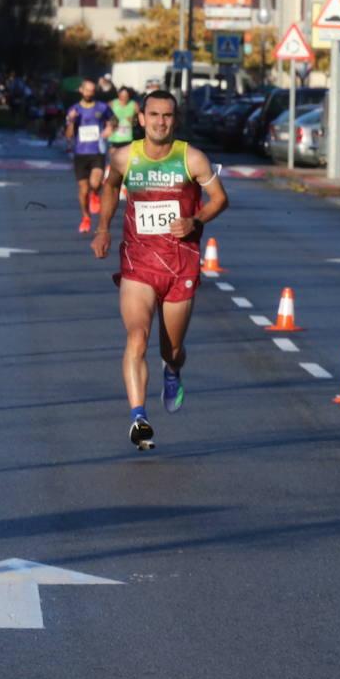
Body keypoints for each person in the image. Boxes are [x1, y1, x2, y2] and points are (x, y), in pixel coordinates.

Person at [89, 90, 229, 451]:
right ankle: (139, 417)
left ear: (174, 120)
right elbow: (110, 186)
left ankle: (172, 371)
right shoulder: (124, 156)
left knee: (172, 348)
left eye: (167, 116)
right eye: (153, 115)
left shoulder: (192, 158)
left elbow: (220, 199)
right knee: (137, 336)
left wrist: (195, 219)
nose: (160, 122)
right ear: (141, 119)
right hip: (139, 262)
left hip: (180, 263)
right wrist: (103, 227)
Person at [65, 78, 116, 232]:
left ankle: (95, 194)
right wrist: (72, 121)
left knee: (95, 183)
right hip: (80, 153)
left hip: (97, 151)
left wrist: (110, 129)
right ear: (81, 90)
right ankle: (86, 216)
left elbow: (114, 119)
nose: (89, 93)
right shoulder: (74, 109)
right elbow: (68, 135)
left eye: (92, 91)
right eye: (87, 90)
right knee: (83, 190)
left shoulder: (101, 107)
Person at [91, 87, 140, 216]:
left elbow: (140, 119)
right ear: (118, 95)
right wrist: (108, 125)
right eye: (122, 95)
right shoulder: (112, 104)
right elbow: (103, 116)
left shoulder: (133, 105)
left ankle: (123, 188)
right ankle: (109, 182)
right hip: (114, 137)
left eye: (126, 95)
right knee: (114, 161)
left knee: (127, 164)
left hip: (127, 137)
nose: (124, 97)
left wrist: (134, 120)